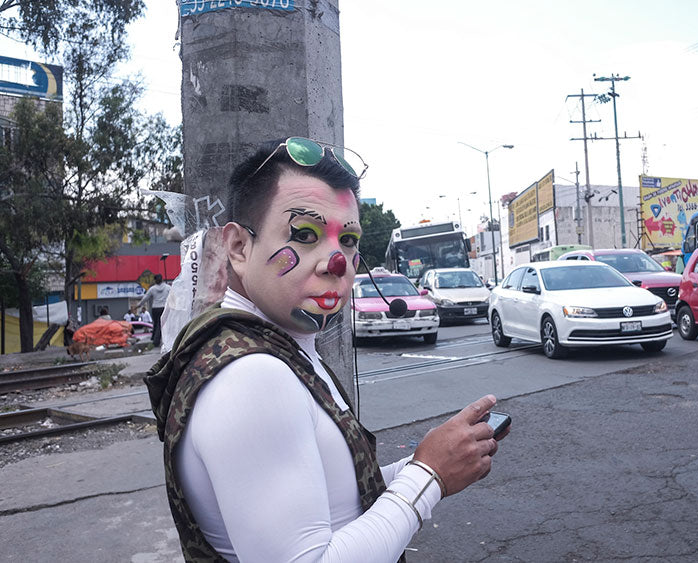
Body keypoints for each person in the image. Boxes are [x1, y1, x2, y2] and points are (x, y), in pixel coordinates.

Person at [145, 137, 507, 562]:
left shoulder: (276, 348)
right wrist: (429, 477)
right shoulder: (252, 377)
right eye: (305, 234)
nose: (335, 261)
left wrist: (431, 459)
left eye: (348, 241)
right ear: (239, 248)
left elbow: (337, 502)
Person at [139, 274, 170, 347]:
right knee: (163, 325)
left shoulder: (152, 289)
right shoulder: (168, 288)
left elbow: (145, 298)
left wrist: (139, 305)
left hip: (155, 308)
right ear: (162, 279)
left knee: (156, 324)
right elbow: (173, 296)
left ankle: (155, 339)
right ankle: (162, 339)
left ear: (155, 280)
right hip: (164, 308)